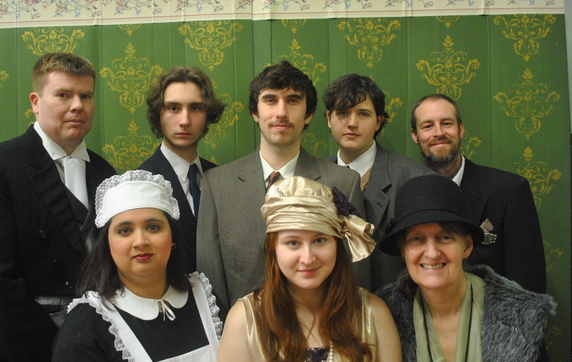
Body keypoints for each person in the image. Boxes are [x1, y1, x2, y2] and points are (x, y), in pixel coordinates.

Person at [0, 52, 115, 362]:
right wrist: (52, 358)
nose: (77, 106)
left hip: (95, 349)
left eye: (86, 96)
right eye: (63, 94)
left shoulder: (106, 173)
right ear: (35, 101)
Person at [197, 60, 365, 308]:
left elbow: (355, 278)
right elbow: (210, 281)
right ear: (255, 112)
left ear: (309, 114)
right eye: (270, 100)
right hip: (243, 327)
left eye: (293, 100)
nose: (281, 112)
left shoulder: (343, 183)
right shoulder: (217, 185)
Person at [219, 176, 403, 362]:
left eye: (319, 240)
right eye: (293, 243)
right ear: (273, 248)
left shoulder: (373, 313)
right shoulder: (245, 320)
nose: (307, 258)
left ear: (337, 244)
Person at [376, 174, 557, 362]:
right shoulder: (385, 318)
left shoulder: (519, 318)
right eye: (417, 239)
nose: (431, 253)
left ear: (467, 246)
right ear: (403, 250)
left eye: (444, 237)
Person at [52, 170, 222, 362]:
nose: (140, 241)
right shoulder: (86, 327)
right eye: (125, 231)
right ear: (107, 244)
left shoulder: (204, 297)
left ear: (172, 238)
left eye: (153, 227)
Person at [410, 94, 546, 293]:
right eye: (428, 126)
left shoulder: (509, 191)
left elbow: (528, 285)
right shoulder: (406, 194)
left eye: (446, 123)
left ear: (460, 129)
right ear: (415, 135)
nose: (438, 133)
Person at [323, 74, 432, 290]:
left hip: (395, 303)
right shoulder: (311, 178)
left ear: (378, 121)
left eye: (363, 114)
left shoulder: (415, 179)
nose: (352, 123)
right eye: (343, 113)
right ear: (329, 119)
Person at [138, 66, 226, 273]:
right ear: (158, 114)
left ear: (208, 114)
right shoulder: (140, 183)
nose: (185, 121)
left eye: (195, 108)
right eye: (173, 108)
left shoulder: (221, 178)